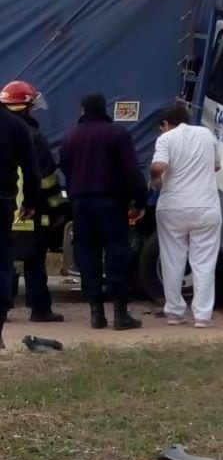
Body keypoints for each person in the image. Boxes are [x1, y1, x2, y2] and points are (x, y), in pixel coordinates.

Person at [60, 94, 146, 330]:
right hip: (111, 203)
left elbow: (67, 171)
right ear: (104, 109)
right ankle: (120, 313)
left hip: (80, 204)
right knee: (117, 254)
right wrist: (139, 201)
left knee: (87, 257)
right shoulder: (117, 134)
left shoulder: (69, 138)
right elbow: (131, 171)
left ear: (82, 111)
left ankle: (96, 313)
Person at [149, 104, 222, 327]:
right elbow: (216, 166)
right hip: (206, 207)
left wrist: (155, 179)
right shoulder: (206, 134)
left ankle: (174, 312)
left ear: (165, 124)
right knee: (204, 262)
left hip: (173, 207)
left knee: (172, 259)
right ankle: (202, 315)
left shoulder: (167, 138)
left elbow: (159, 165)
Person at [0, 81, 65, 322]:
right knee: (34, 261)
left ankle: (4, 310)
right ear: (27, 106)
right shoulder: (32, 136)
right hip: (25, 212)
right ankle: (40, 310)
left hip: (7, 208)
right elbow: (44, 178)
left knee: (5, 260)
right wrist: (57, 207)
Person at [0, 99, 39, 347]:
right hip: (2, 202)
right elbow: (31, 169)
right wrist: (31, 202)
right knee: (2, 261)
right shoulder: (15, 126)